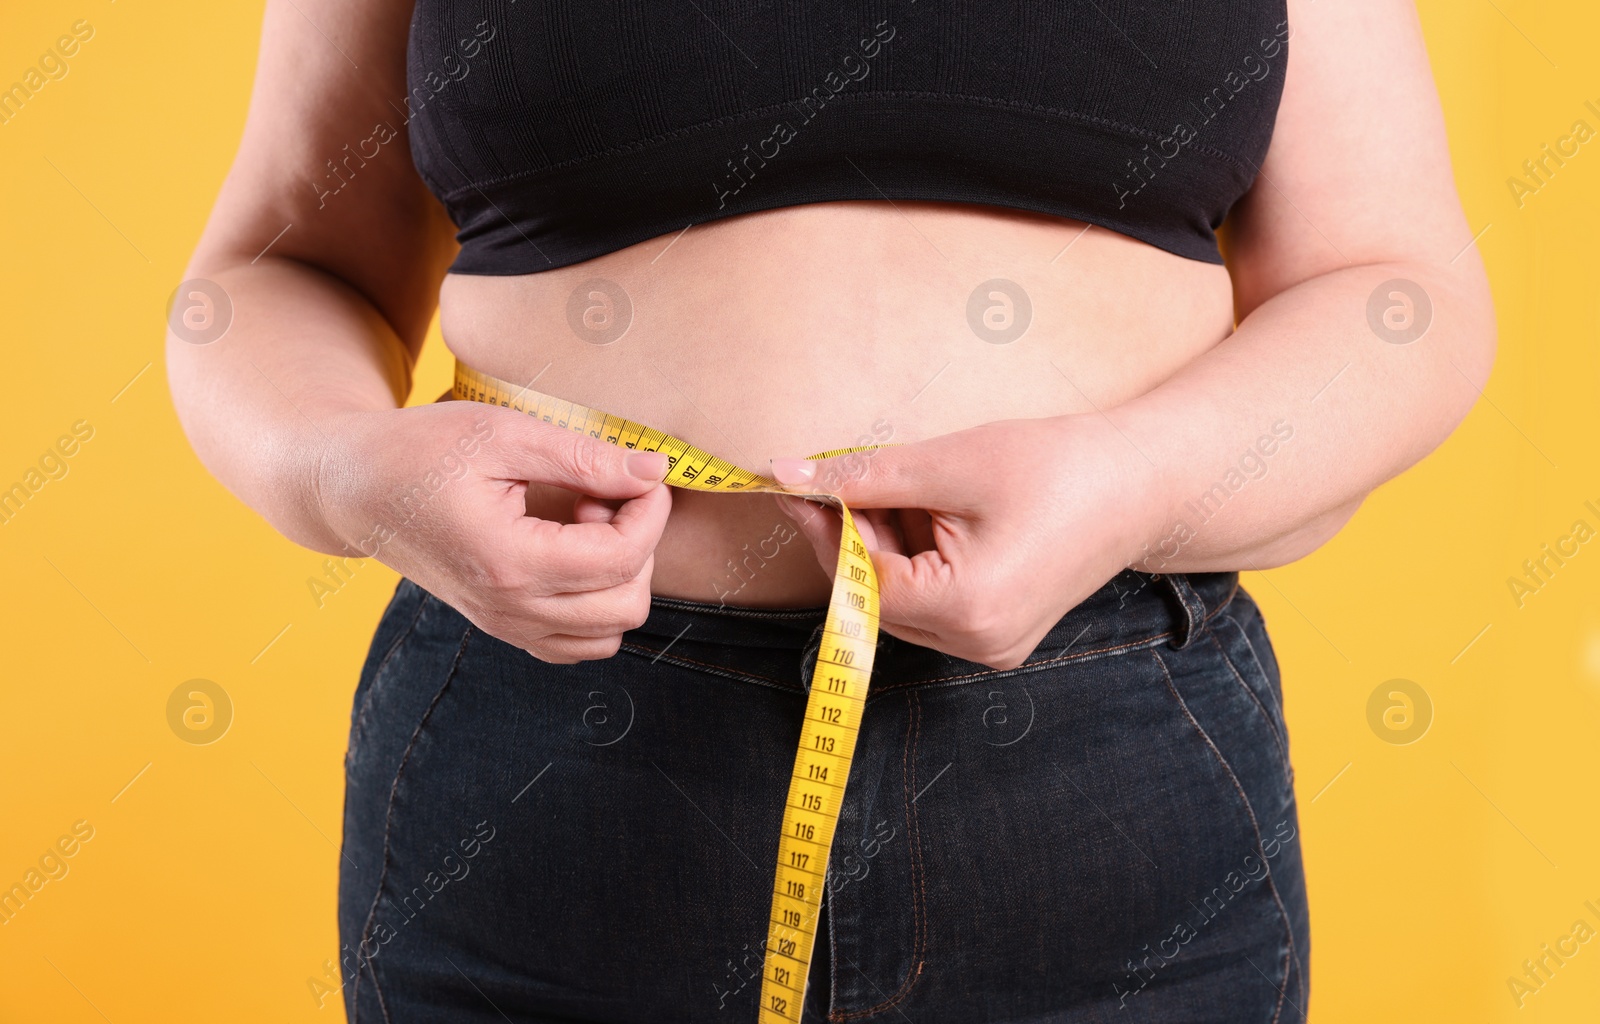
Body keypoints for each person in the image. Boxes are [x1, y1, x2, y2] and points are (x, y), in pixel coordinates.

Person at [167, 0, 1494, 1020]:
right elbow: (282, 267)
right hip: (542, 769)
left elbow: (1396, 291)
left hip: (1109, 765)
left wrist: (1135, 481)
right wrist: (344, 467)